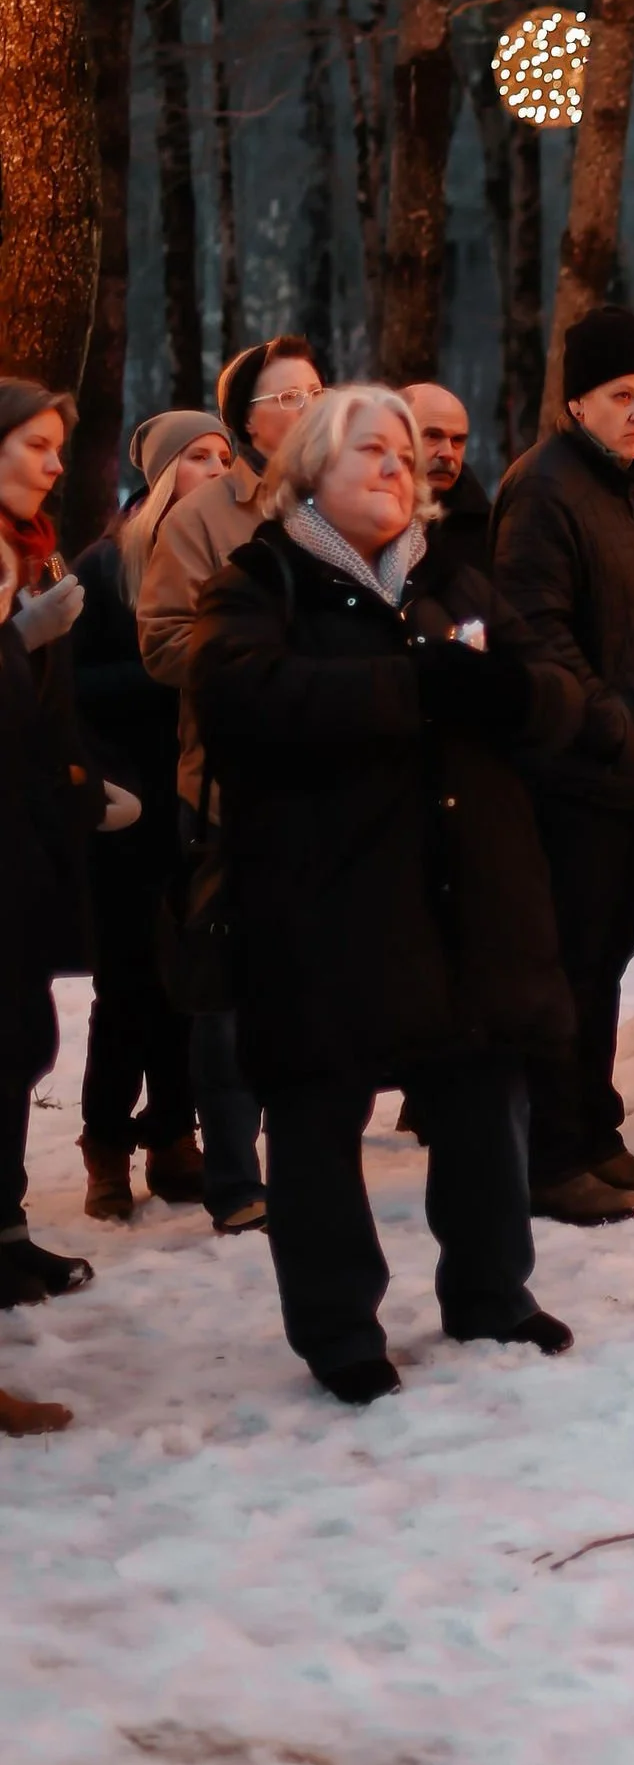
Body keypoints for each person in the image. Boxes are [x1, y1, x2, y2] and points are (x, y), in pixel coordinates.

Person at [188, 387, 581, 1407]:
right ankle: (339, 1330)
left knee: (483, 1098)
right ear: (309, 467)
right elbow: (239, 693)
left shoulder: (455, 579)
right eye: (372, 449)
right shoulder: (262, 578)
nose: (397, 468)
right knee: (319, 1119)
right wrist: (413, 689)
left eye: (407, 453)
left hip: (466, 897)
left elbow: (553, 692)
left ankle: (493, 1293)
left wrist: (515, 694)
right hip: (325, 904)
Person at [491, 303, 634, 1225]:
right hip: (579, 780)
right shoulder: (544, 488)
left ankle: (595, 1135)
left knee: (603, 963)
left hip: (632, 781)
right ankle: (553, 1156)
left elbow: (615, 607)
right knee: (570, 971)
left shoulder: (616, 484)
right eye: (621, 396)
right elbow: (534, 628)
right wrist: (611, 722)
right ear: (576, 400)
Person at [140, 333, 329, 1232]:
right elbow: (163, 641)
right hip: (228, 783)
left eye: (316, 391)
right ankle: (232, 1176)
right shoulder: (204, 517)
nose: (307, 408)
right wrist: (266, 658)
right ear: (245, 418)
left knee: (316, 980)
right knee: (229, 987)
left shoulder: (342, 499)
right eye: (289, 397)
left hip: (332, 778)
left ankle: (312, 1157)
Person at [71, 411, 232, 1217]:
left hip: (203, 798)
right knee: (127, 981)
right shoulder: (107, 567)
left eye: (222, 454)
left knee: (190, 976)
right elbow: (71, 689)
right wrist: (165, 669)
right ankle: (105, 1143)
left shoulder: (226, 560)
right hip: (129, 804)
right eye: (198, 456)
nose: (215, 466)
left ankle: (174, 1134)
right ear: (166, 472)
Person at [0, 384, 99, 1320]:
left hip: (25, 833)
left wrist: (79, 779)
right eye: (36, 445)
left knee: (23, 1037)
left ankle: (8, 1230)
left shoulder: (35, 549)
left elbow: (50, 704)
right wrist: (16, 638)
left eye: (58, 446)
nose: (55, 463)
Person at [403, 383, 492, 567]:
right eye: (433, 436)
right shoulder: (357, 521)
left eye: (458, 440)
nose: (448, 453)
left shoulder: (487, 530)